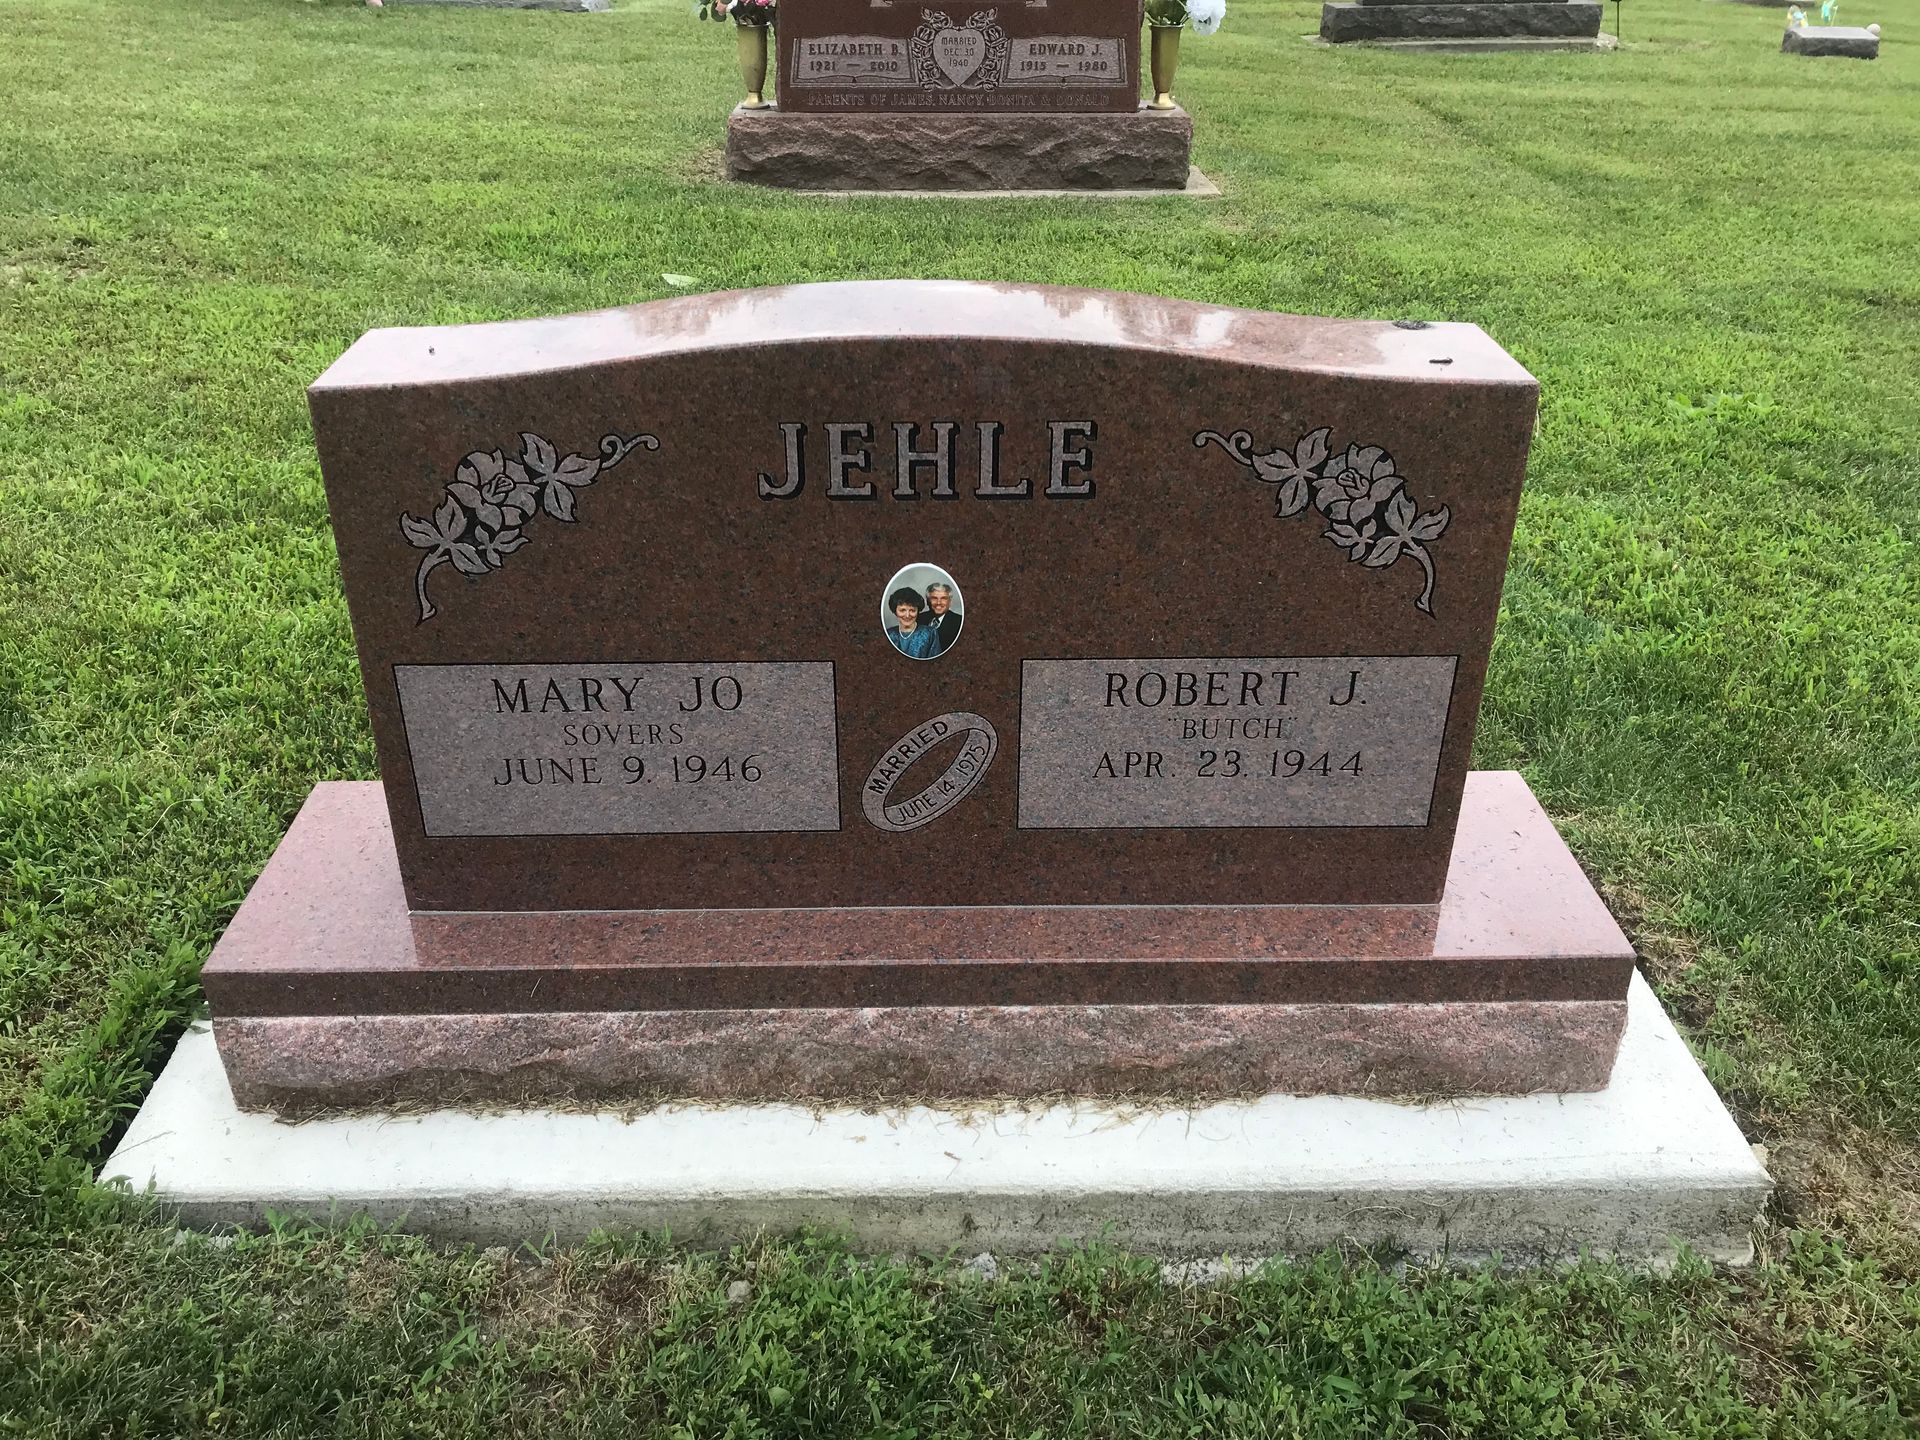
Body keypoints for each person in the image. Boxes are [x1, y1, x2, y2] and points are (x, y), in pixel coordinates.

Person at [886, 588, 940, 659]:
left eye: (912, 610)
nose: (907, 615)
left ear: (918, 611)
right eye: (902, 610)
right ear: (895, 611)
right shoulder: (889, 634)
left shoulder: (930, 633)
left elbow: (935, 663)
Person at [925, 581, 963, 655]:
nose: (939, 602)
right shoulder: (918, 619)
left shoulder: (959, 622)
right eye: (934, 598)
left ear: (950, 602)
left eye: (944, 598)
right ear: (927, 601)